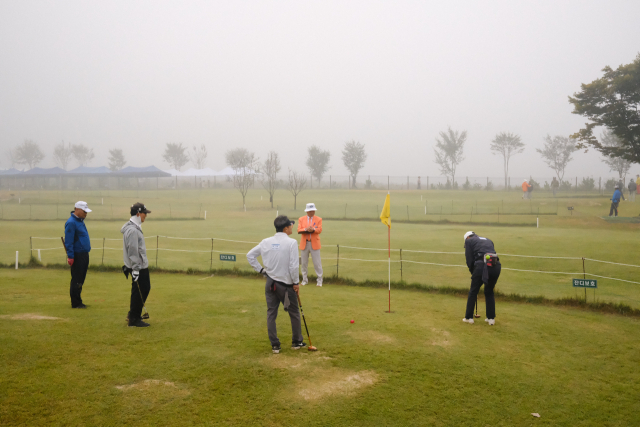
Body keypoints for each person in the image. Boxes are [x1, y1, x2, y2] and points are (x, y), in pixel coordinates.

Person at [247, 215, 306, 354]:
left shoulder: (266, 241)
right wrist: (296, 283)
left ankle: (275, 345)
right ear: (286, 228)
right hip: (286, 285)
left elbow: (250, 255)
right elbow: (293, 266)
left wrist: (261, 271)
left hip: (270, 283)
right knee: (294, 313)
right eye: (290, 225)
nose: (292, 227)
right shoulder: (291, 243)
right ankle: (297, 342)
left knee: (271, 313)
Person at [122, 203, 152, 327]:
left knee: (143, 289)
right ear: (138, 214)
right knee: (139, 291)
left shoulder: (134, 227)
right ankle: (134, 319)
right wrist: (135, 269)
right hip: (138, 267)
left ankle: (133, 314)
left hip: (139, 266)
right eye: (145, 213)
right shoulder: (132, 230)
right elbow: (133, 250)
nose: (146, 215)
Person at [462, 231, 501, 326]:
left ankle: (468, 318)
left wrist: (473, 271)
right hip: (496, 266)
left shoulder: (469, 241)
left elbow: (469, 259)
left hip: (481, 266)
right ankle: (491, 319)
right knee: (489, 291)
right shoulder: (488, 240)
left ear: (467, 238)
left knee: (473, 291)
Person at [64, 201, 92, 309]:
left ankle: (79, 300)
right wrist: (70, 256)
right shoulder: (71, 222)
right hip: (77, 254)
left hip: (84, 254)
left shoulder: (80, 221)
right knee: (77, 278)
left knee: (81, 278)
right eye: (84, 211)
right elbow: (69, 241)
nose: (86, 214)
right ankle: (75, 303)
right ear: (77, 209)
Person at [298, 203, 323, 287]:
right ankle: (304, 280)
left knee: (317, 263)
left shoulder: (318, 219)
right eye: (310, 211)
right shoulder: (301, 219)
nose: (312, 212)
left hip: (314, 243)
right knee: (304, 263)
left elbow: (319, 229)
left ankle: (319, 280)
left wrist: (313, 229)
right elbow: (299, 229)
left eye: (313, 211)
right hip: (305, 243)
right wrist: (306, 229)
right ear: (307, 211)